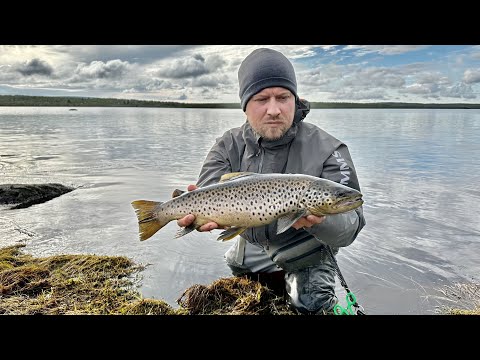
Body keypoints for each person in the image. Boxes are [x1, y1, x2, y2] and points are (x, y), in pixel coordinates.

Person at [177, 47, 366, 314]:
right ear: (245, 105)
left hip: (308, 248)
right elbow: (208, 190)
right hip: (253, 241)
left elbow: (352, 224)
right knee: (239, 276)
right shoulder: (227, 145)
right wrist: (193, 213)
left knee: (309, 305)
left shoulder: (329, 149)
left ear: (296, 100)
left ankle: (303, 288)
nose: (274, 109)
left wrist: (323, 220)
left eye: (283, 97)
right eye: (262, 99)